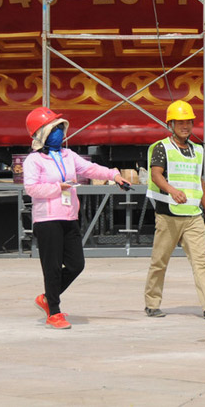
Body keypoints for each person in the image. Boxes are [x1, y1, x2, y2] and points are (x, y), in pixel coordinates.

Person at [23, 107, 130, 329]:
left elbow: (90, 169)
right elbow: (31, 188)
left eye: (60, 128)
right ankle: (54, 311)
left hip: (69, 216)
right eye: (54, 130)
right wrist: (57, 187)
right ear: (41, 134)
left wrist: (114, 175)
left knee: (76, 264)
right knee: (51, 267)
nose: (59, 133)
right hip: (47, 220)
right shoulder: (34, 161)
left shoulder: (68, 155)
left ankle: (46, 297)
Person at [144, 100, 205, 320]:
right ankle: (152, 303)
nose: (185, 126)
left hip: (193, 215)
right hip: (168, 215)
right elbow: (156, 174)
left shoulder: (198, 150)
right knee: (159, 261)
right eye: (180, 122)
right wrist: (172, 191)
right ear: (170, 124)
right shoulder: (162, 148)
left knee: (202, 261)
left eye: (188, 122)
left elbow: (197, 182)